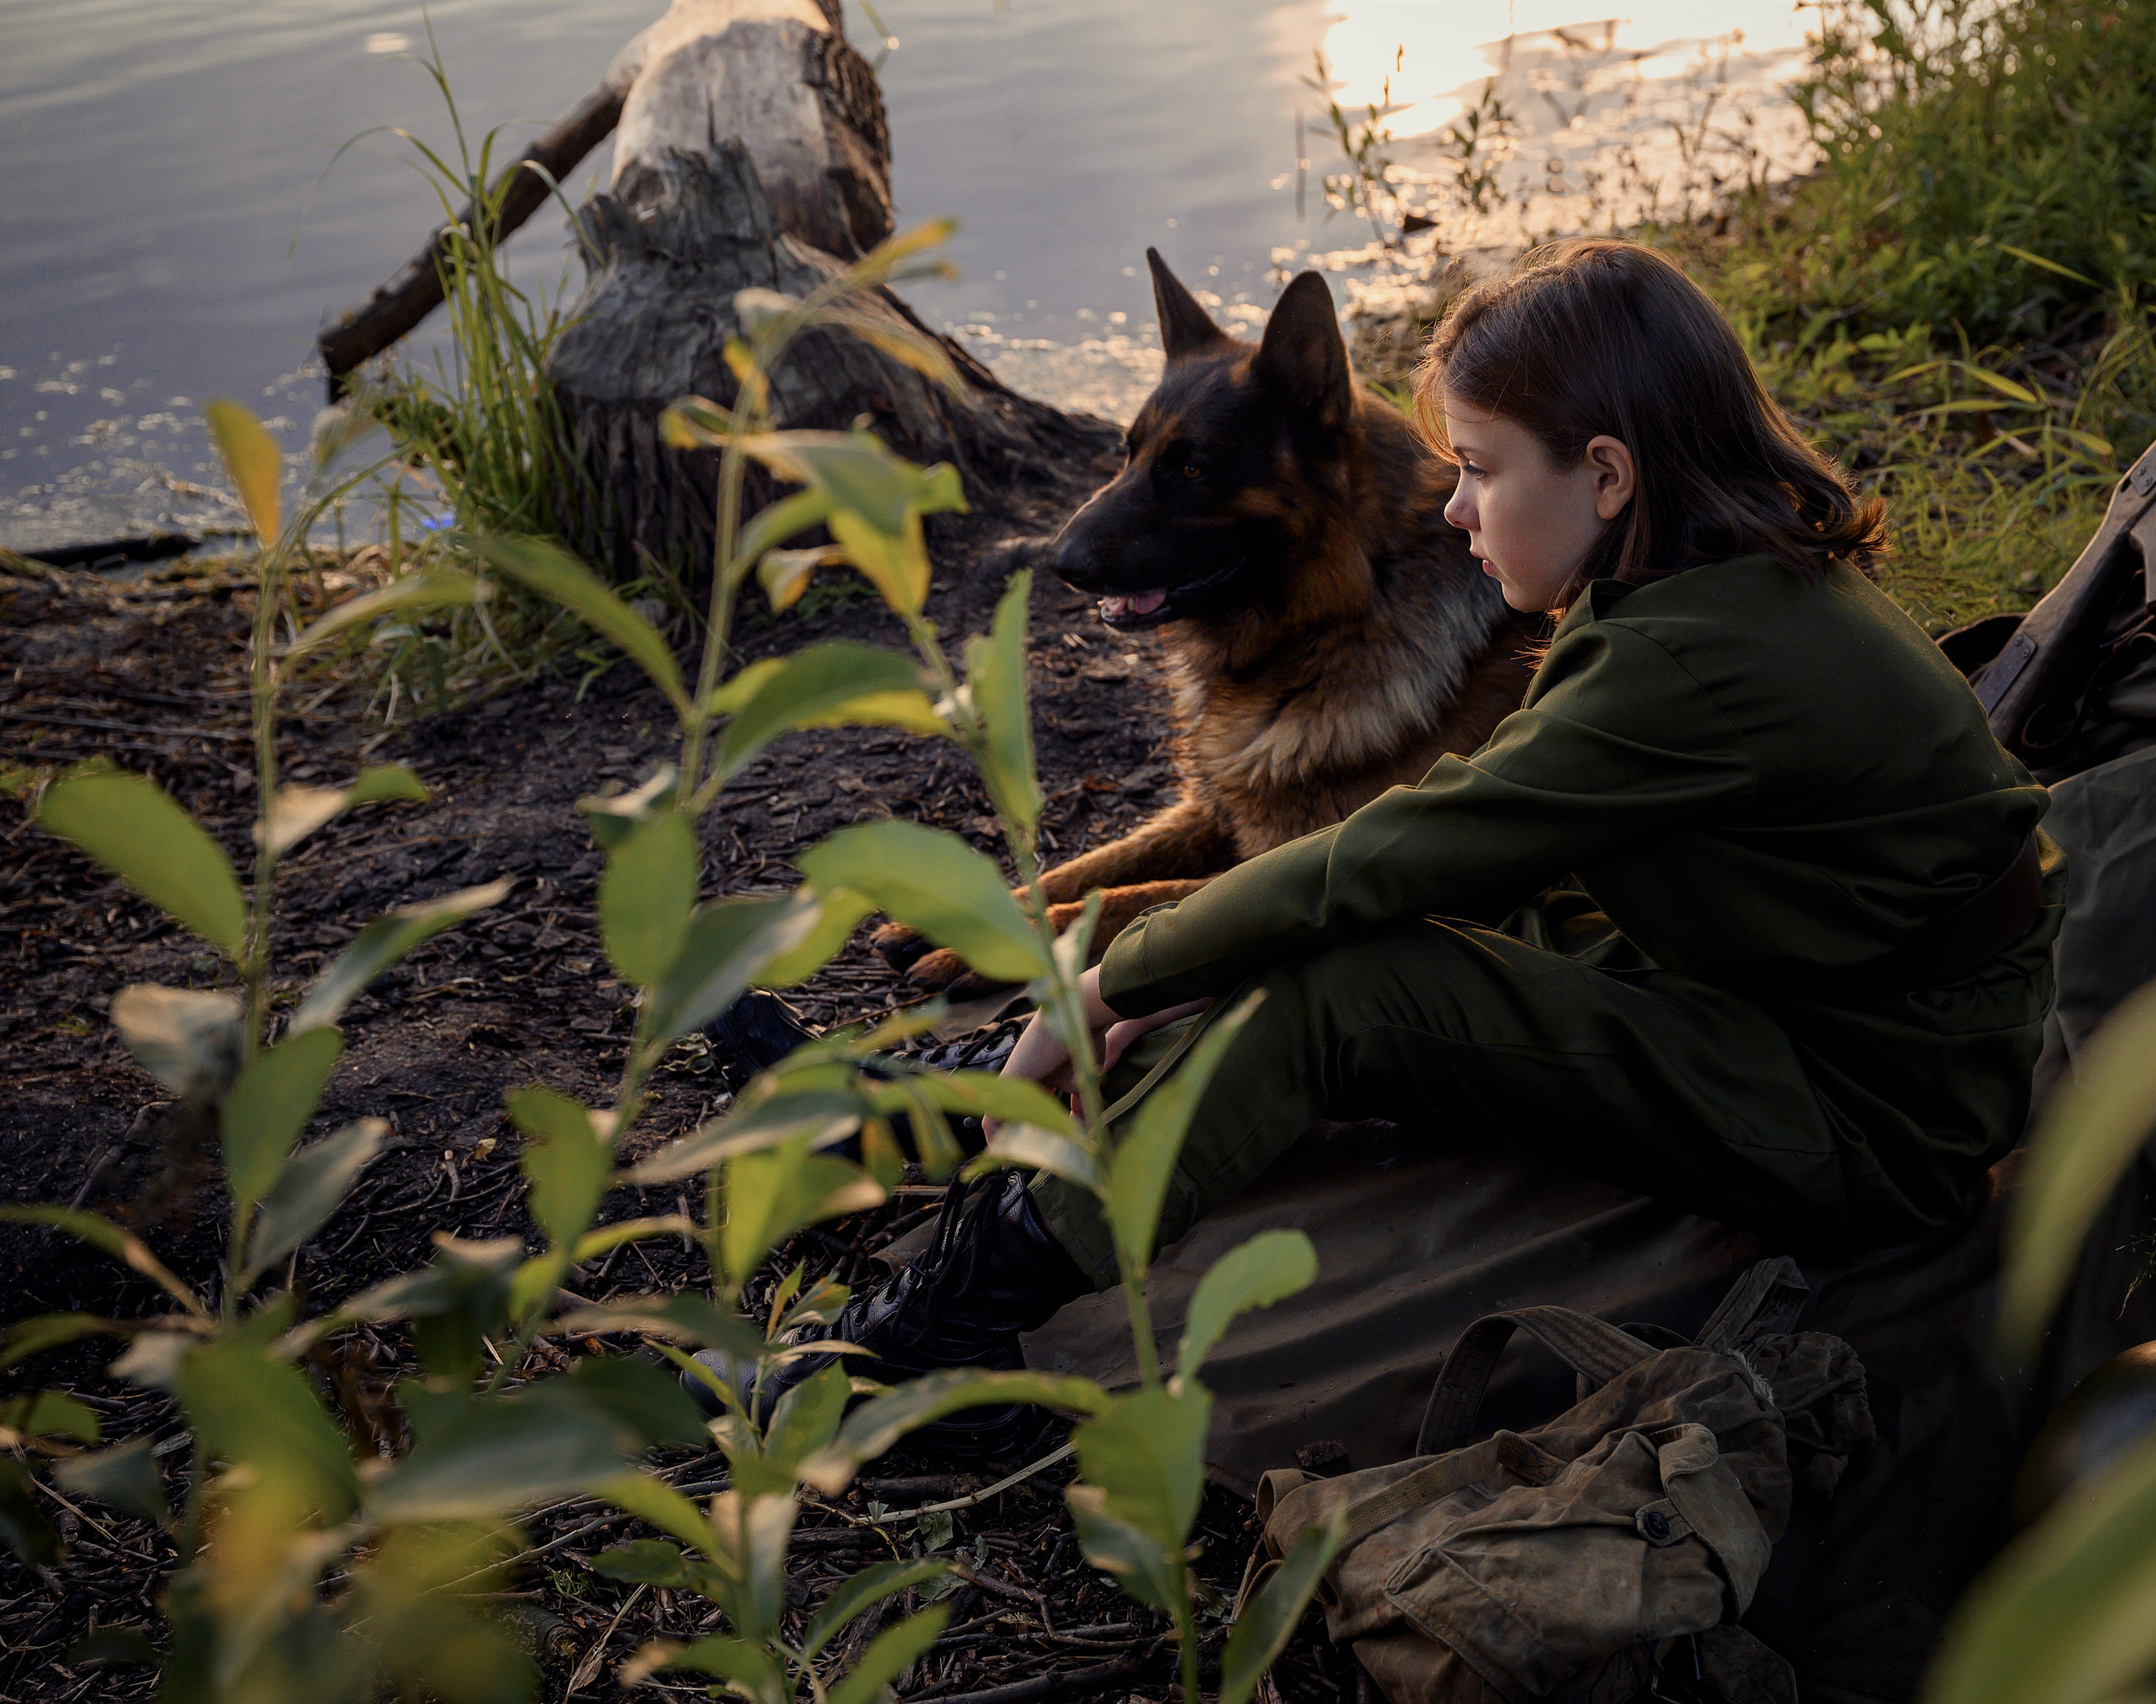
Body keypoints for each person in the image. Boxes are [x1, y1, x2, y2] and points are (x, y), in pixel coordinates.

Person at [817, 239, 2062, 1443]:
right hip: (1804, 994)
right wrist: (1155, 971)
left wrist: (1112, 978)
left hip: (1876, 1112)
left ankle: (956, 1325)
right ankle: (966, 1108)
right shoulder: (1702, 583)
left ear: (1608, 477)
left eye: (1477, 469)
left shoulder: (1684, 660)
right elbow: (1433, 851)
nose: (1449, 504)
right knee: (1368, 926)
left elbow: (1399, 845)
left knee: (1347, 986)